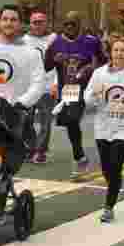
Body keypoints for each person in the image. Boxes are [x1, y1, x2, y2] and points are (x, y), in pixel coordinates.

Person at [84, 37, 124, 223]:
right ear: (110, 53)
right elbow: (89, 99)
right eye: (116, 50)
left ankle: (108, 207)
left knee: (115, 163)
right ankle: (115, 184)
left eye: (123, 51)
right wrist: (95, 95)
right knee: (107, 169)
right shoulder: (99, 73)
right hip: (103, 126)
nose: (119, 54)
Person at [43, 12, 105, 178]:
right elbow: (46, 66)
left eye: (73, 24)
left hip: (89, 87)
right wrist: (53, 58)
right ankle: (80, 157)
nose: (70, 27)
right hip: (69, 89)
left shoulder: (91, 42)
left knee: (75, 119)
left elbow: (103, 60)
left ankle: (82, 156)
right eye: (67, 24)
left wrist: (93, 69)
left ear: (79, 25)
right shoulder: (56, 43)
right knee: (69, 121)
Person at [21, 11, 58, 164]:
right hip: (28, 87)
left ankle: (40, 152)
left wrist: (56, 83)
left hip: (47, 87)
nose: (38, 24)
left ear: (46, 23)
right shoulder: (23, 40)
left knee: (45, 122)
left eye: (41, 21)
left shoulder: (54, 39)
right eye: (35, 22)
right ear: (30, 24)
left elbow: (58, 64)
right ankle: (30, 149)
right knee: (25, 120)